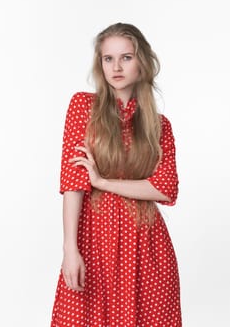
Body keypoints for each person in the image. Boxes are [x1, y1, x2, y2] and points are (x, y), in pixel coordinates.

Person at [50, 22, 182, 327]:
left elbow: (165, 189)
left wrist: (103, 182)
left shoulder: (160, 126)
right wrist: (70, 248)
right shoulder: (83, 107)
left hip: (146, 246)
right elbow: (73, 182)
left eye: (126, 57)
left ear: (142, 63)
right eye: (108, 59)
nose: (116, 67)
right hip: (94, 240)